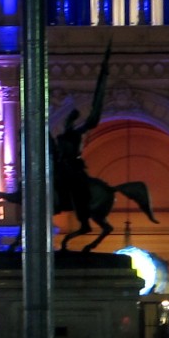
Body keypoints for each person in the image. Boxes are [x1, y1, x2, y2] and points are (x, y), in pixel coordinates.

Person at [52, 42, 111, 221]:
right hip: (61, 167)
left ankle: (73, 205)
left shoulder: (76, 133)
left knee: (72, 185)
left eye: (71, 118)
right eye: (68, 119)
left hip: (72, 168)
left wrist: (100, 92)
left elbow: (92, 120)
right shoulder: (62, 135)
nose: (68, 121)